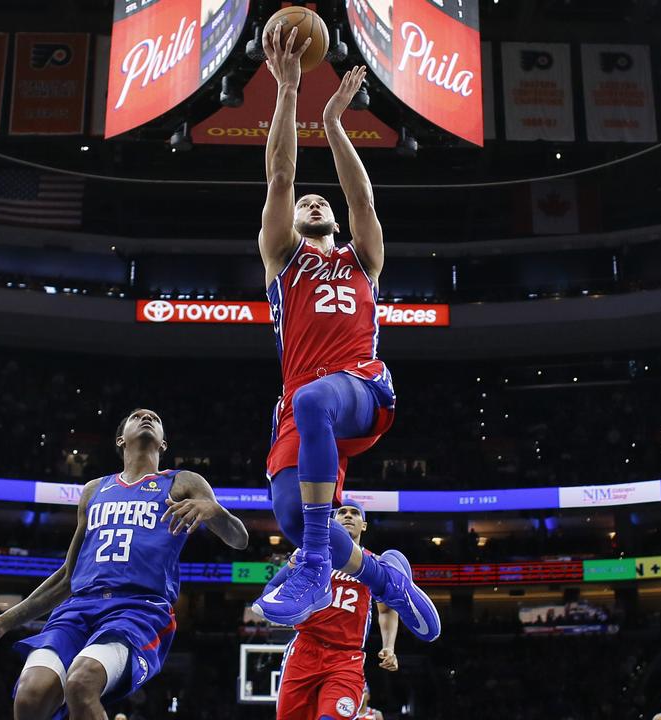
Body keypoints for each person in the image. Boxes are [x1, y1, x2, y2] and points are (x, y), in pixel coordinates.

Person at [250, 19, 439, 644]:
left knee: (312, 402)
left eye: (319, 203)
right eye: (307, 202)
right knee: (288, 511)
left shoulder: (362, 259)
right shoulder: (284, 260)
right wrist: (286, 91)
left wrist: (333, 124)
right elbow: (280, 175)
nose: (312, 202)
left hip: (360, 385)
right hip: (300, 399)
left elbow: (364, 200)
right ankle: (386, 579)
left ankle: (310, 568)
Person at [0, 409, 250, 720]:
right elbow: (68, 577)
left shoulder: (183, 481)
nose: (147, 416)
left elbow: (239, 539)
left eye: (156, 418)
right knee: (30, 697)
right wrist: (2, 623)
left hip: (138, 609)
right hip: (79, 608)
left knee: (81, 684)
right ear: (120, 439)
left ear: (164, 444)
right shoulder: (94, 490)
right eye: (137, 416)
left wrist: (214, 510)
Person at [272, 502, 399, 720]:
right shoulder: (309, 555)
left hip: (345, 657)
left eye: (355, 513)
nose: (348, 516)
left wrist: (389, 646)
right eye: (342, 512)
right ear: (333, 521)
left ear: (364, 525)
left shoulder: (375, 563)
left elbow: (387, 609)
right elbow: (276, 588)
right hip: (305, 649)